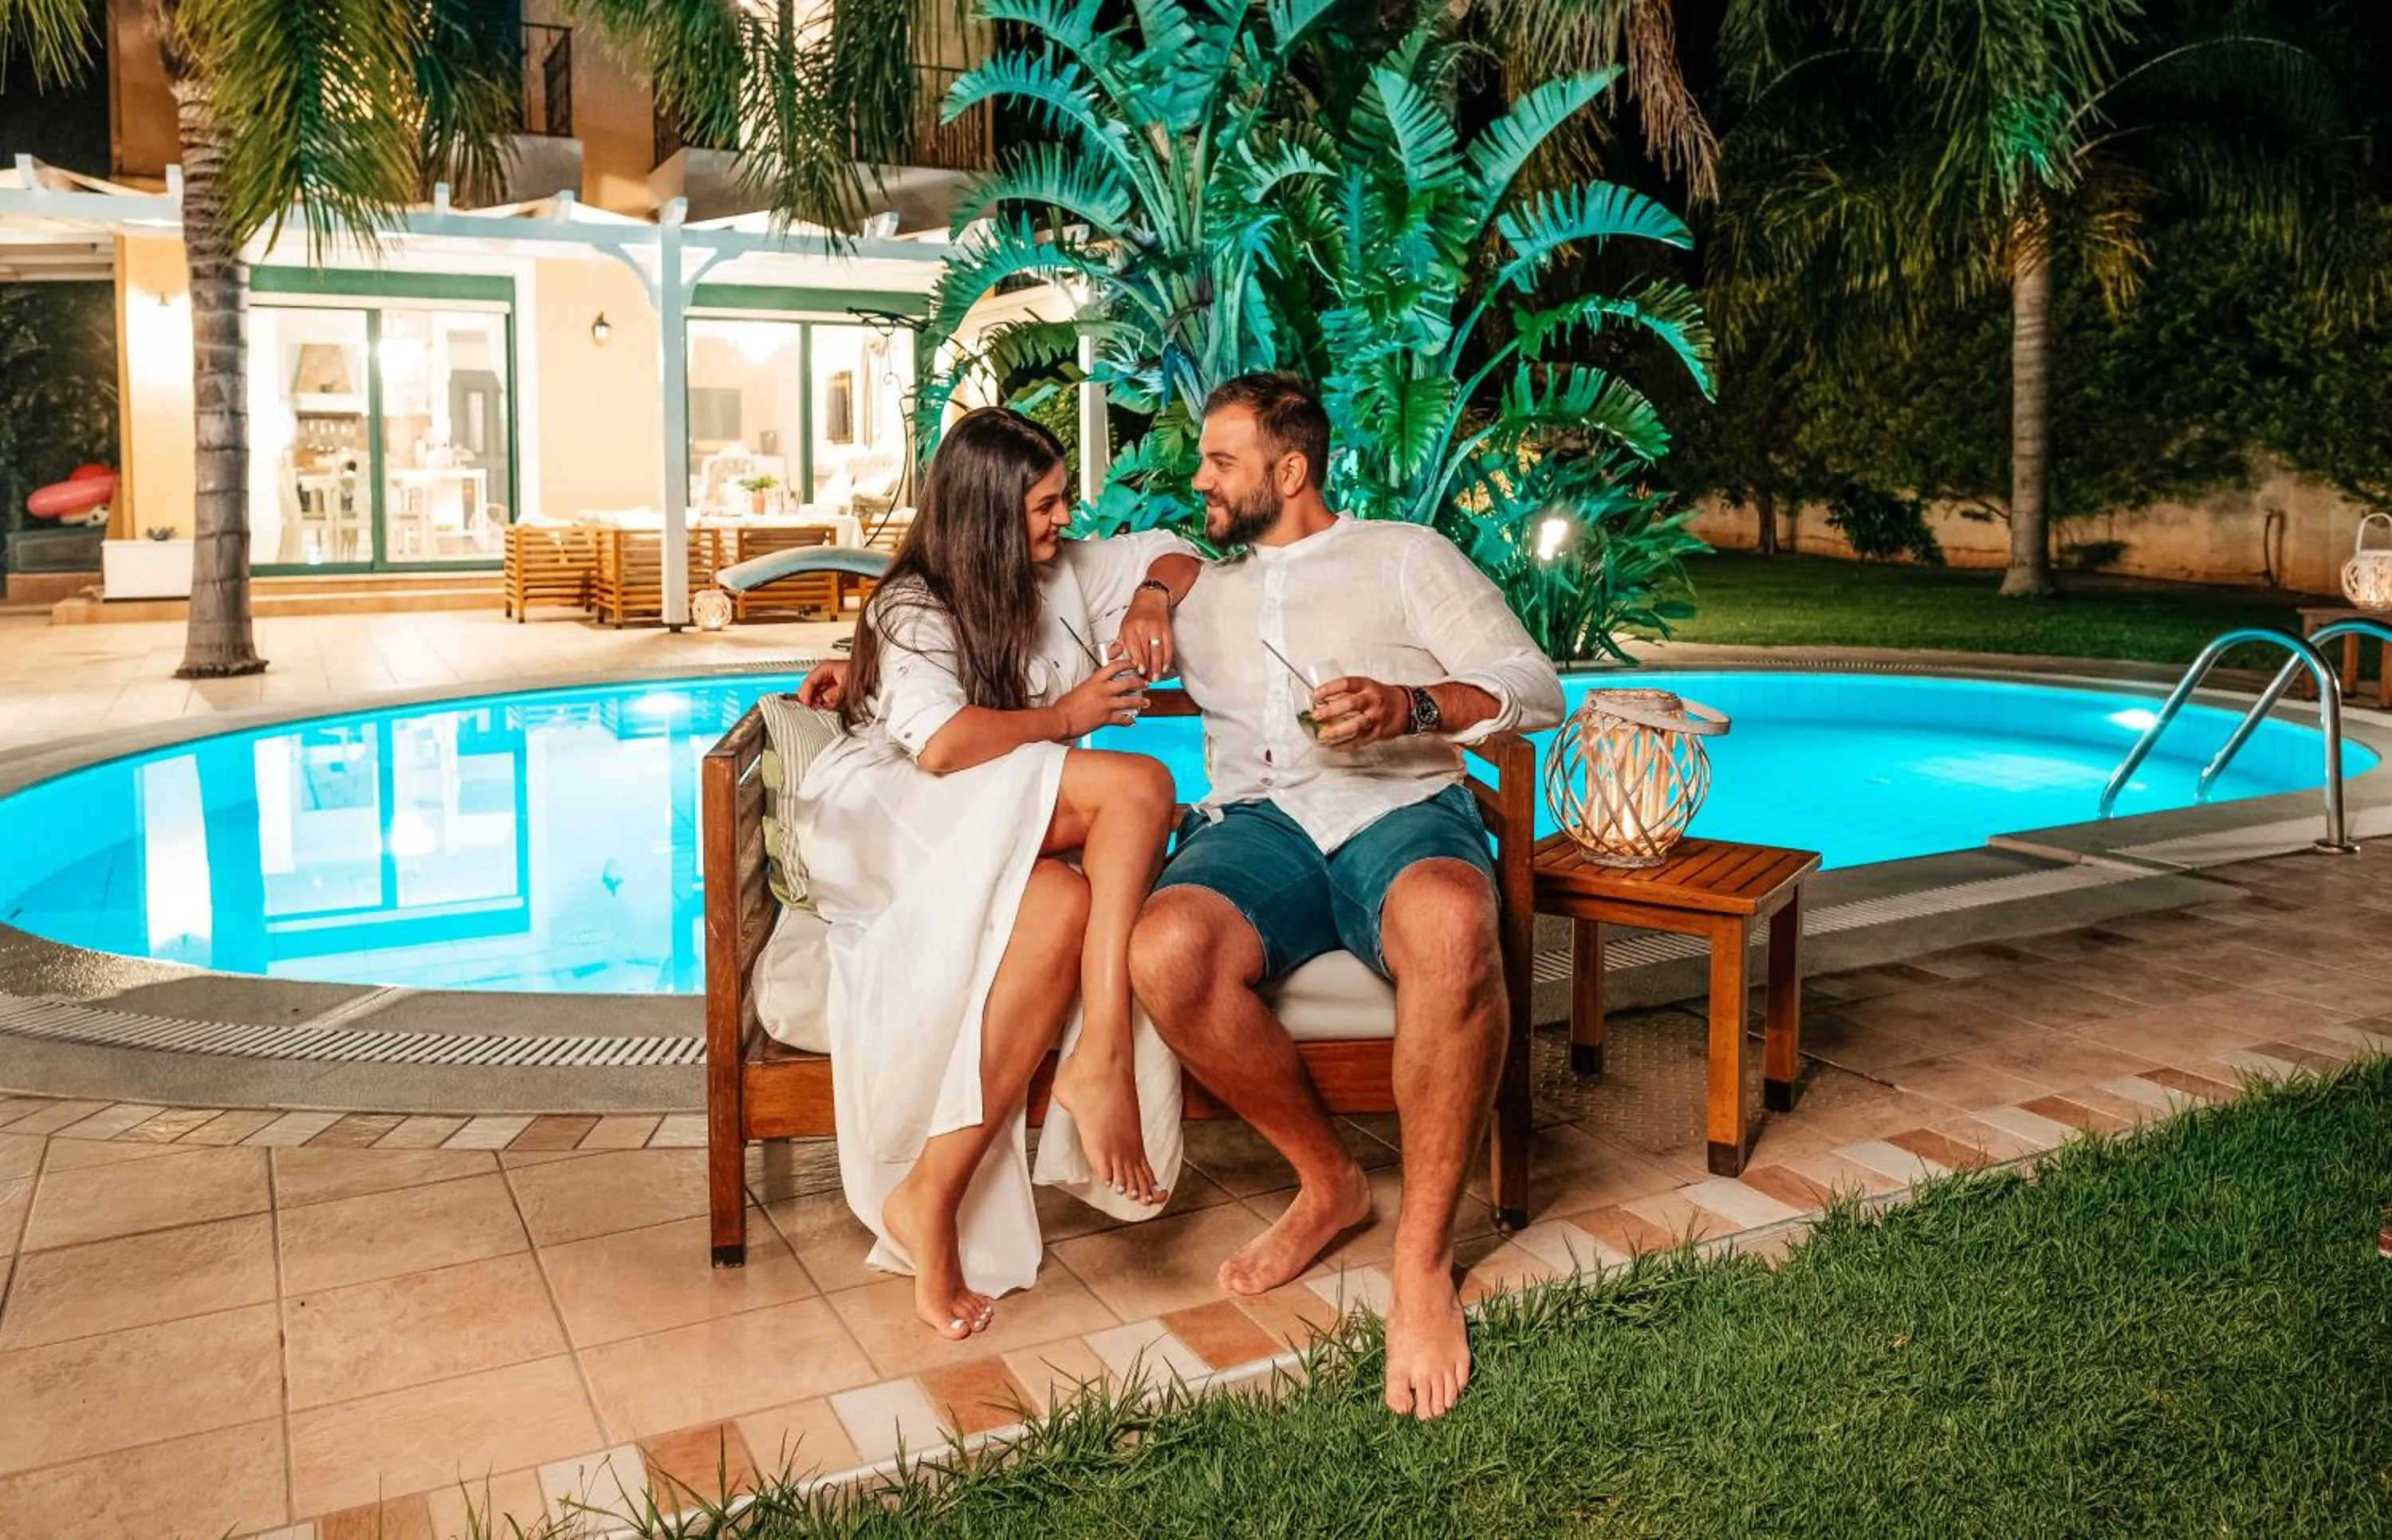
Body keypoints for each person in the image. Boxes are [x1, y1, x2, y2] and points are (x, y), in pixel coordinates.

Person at [1130, 373, 1564, 1422]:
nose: (1200, 478)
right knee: (1166, 950)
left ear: (1291, 470)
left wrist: (1409, 703)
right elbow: (1072, 606)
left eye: (1220, 461)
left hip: (1401, 810)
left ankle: (1421, 1264)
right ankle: (1327, 1182)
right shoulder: (1205, 589)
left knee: (1456, 922)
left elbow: (1536, 688)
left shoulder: (1405, 555)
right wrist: (1152, 590)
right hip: (1262, 829)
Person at [790, 407, 1200, 1342]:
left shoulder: (1061, 573)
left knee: (1062, 900)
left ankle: (928, 1197)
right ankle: (1100, 1060)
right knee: (1140, 786)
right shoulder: (911, 605)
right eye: (1045, 506)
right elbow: (938, 745)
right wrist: (1068, 715)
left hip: (986, 806)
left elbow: (1179, 550)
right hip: (887, 815)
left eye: (1062, 500)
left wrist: (1148, 603)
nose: (1064, 520)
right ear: (986, 513)